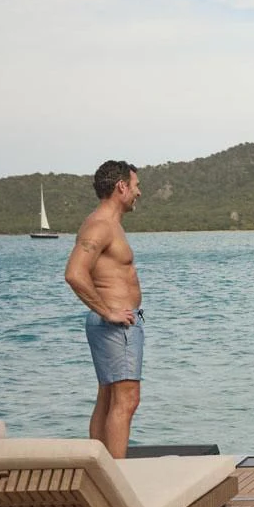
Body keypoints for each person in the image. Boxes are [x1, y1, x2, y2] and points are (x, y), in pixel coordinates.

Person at [64, 160, 143, 459]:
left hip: (117, 325)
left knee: (109, 397)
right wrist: (108, 312)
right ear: (121, 186)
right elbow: (74, 273)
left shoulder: (107, 224)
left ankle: (101, 475)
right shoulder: (100, 225)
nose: (138, 192)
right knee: (127, 400)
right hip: (115, 326)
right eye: (135, 185)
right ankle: (117, 481)